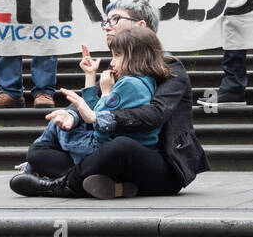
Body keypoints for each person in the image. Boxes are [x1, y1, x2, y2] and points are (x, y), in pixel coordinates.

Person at [9, 0, 209, 198]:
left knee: (122, 146)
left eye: (114, 19)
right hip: (106, 153)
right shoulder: (121, 68)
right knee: (38, 152)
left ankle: (60, 185)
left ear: (141, 26)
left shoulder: (170, 68)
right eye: (106, 21)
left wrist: (99, 118)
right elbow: (94, 100)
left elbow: (154, 114)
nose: (106, 26)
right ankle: (107, 185)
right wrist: (72, 115)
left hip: (158, 164)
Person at [27, 26, 168, 194]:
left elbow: (98, 122)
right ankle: (98, 183)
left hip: (101, 145)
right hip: (114, 148)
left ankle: (43, 174)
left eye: (117, 55)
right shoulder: (146, 81)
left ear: (136, 57)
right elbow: (93, 109)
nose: (112, 62)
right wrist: (90, 76)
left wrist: (106, 92)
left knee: (48, 138)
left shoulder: (129, 84)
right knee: (54, 132)